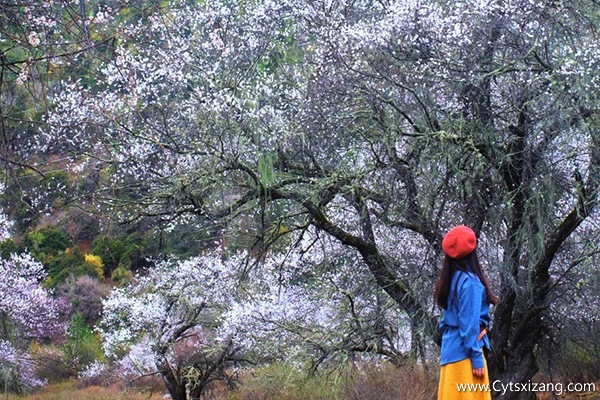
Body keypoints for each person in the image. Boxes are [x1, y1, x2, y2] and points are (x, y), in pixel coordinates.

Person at [434, 225, 498, 400]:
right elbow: (469, 326)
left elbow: (445, 322)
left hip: (450, 354)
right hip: (466, 358)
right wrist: (477, 357)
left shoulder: (449, 282)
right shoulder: (470, 284)